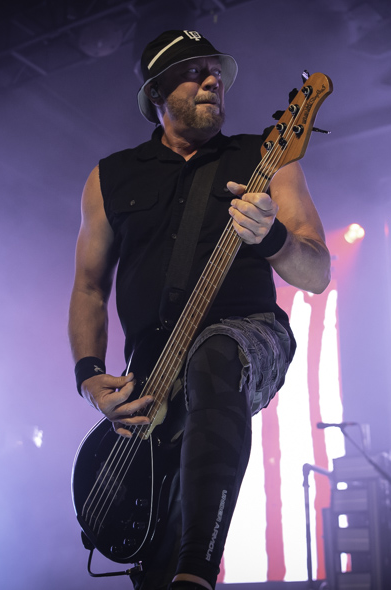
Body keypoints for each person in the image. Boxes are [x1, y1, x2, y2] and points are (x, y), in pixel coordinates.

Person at [68, 30, 330, 590]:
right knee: (154, 552)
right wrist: (91, 377)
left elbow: (318, 272)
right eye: (194, 71)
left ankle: (199, 574)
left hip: (248, 338)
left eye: (216, 70)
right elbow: (88, 289)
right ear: (156, 91)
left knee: (214, 356)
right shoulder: (109, 177)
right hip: (151, 375)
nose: (213, 79)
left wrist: (273, 239)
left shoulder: (267, 157)